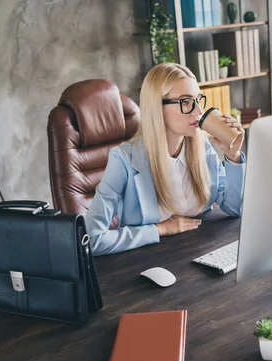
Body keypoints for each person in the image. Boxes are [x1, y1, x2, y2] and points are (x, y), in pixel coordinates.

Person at [85, 62, 246, 256]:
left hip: (200, 250)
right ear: (157, 108)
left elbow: (234, 208)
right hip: (146, 260)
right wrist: (161, 229)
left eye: (198, 100)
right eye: (185, 102)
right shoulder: (124, 160)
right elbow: (92, 239)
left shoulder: (202, 145)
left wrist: (233, 156)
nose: (198, 111)